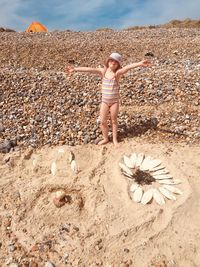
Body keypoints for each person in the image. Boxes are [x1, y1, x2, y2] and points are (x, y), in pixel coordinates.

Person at [65, 52, 151, 147]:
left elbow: (127, 68)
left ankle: (114, 139)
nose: (113, 62)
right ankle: (105, 138)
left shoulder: (117, 74)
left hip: (114, 102)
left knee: (114, 120)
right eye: (111, 60)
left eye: (116, 61)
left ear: (118, 64)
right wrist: (75, 69)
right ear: (108, 61)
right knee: (102, 121)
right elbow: (90, 69)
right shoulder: (103, 72)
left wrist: (139, 63)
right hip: (104, 102)